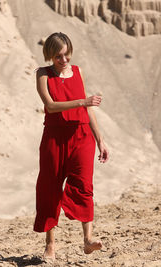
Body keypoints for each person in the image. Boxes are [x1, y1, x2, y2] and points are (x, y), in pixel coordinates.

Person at [34, 32, 109, 260]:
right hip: (54, 138)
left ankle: (88, 239)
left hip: (81, 136)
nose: (64, 60)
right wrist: (82, 101)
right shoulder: (43, 75)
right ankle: (50, 245)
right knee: (50, 188)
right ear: (50, 55)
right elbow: (50, 105)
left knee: (85, 185)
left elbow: (87, 111)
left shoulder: (78, 71)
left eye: (67, 54)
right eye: (59, 56)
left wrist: (100, 139)